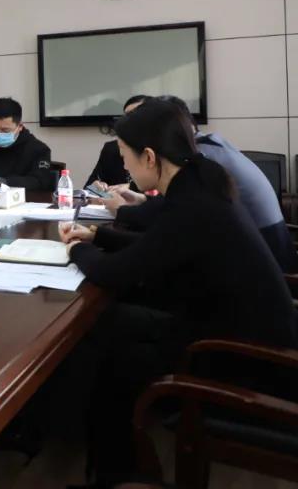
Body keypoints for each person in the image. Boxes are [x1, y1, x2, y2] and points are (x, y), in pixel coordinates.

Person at [59, 99, 296, 486]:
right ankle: (117, 468)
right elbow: (158, 245)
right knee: (108, 325)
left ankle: (119, 474)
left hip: (244, 365)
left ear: (149, 157)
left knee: (112, 354)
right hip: (235, 334)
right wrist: (97, 235)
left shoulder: (193, 204)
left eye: (125, 156)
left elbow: (117, 273)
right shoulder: (200, 181)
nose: (124, 167)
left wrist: (75, 249)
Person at [101, 95, 296, 273]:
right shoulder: (211, 145)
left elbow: (171, 216)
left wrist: (122, 211)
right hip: (263, 253)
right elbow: (174, 211)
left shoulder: (201, 159)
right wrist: (142, 200)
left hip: (267, 263)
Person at [84, 95, 148, 189]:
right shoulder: (112, 149)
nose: (129, 121)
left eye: (136, 115)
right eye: (127, 116)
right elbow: (88, 188)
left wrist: (130, 188)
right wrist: (95, 188)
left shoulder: (163, 151)